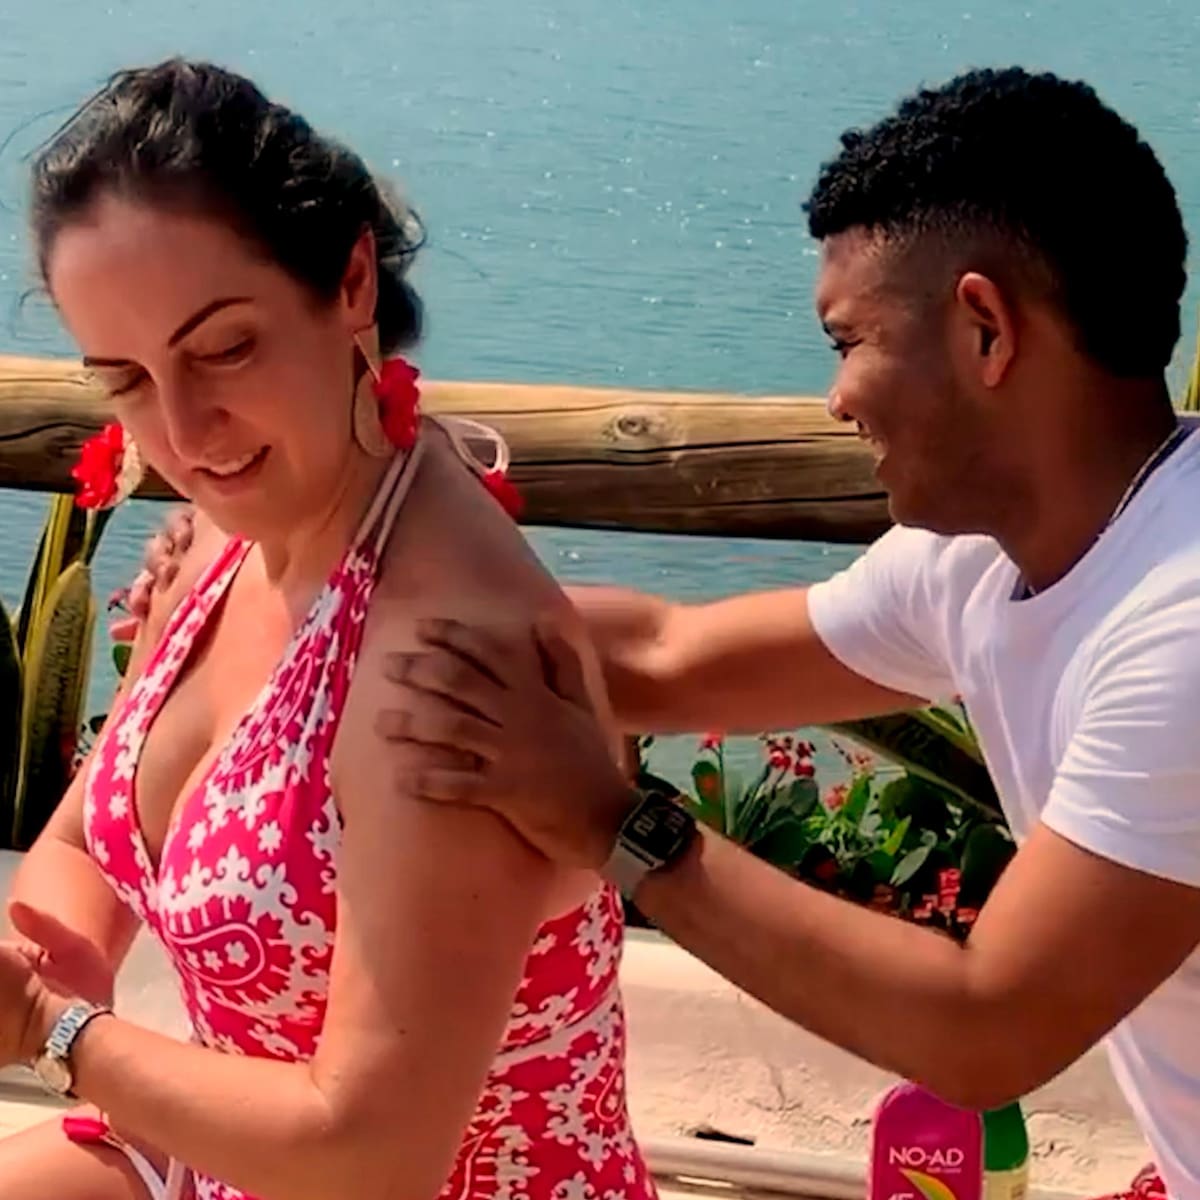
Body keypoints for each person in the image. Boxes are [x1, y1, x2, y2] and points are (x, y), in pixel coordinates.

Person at [125, 67, 1199, 1200]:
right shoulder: (990, 556)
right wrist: (302, 598)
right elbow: (665, 659)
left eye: (850, 341)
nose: (837, 397)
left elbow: (989, 1029)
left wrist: (610, 820)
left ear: (985, 330)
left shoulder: (1176, 630)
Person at [0, 59, 655, 1200]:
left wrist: (51, 1028)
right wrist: (41, 957)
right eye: (127, 379)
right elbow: (86, 849)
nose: (184, 431)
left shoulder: (446, 664)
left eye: (224, 349)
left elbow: (374, 1154)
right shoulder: (239, 532)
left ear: (351, 280)